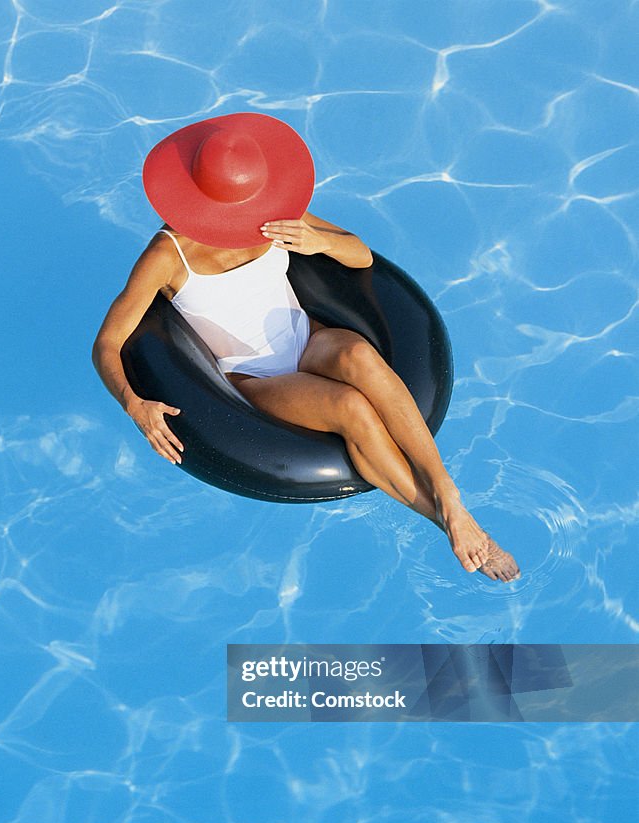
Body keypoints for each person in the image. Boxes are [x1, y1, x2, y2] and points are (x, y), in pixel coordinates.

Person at [92, 113, 520, 583]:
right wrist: (135, 404)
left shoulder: (272, 214)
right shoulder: (167, 255)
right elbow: (108, 342)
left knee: (359, 356)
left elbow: (360, 256)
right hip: (255, 377)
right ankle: (447, 522)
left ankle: (448, 491)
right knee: (349, 406)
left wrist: (318, 240)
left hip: (309, 340)